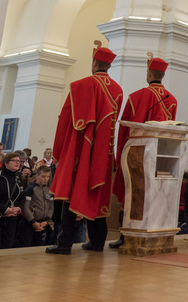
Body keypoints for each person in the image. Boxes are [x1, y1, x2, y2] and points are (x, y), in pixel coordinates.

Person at [46, 42, 123, 255]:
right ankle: (97, 242)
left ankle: (64, 244)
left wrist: (59, 150)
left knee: (71, 194)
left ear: (95, 63)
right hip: (103, 155)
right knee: (97, 195)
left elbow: (65, 120)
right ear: (109, 65)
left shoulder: (81, 85)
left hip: (80, 150)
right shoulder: (118, 90)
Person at [109, 54, 177, 249]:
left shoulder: (136, 97)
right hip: (162, 159)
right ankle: (154, 234)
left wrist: (120, 157)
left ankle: (127, 236)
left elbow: (124, 130)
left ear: (149, 74)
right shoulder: (172, 100)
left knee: (132, 195)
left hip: (137, 157)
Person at [19, 165, 56, 247]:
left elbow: (51, 207)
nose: (46, 179)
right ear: (37, 176)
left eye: (48, 177)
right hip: (30, 223)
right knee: (26, 247)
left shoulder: (49, 190)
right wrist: (33, 222)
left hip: (43, 223)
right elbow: (25, 207)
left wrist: (46, 220)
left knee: (39, 247)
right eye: (43, 176)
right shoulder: (31, 189)